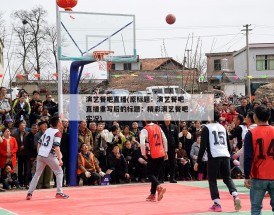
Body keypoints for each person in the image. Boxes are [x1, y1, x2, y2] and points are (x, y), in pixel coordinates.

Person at [194, 111, 241, 212]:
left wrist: (198, 161)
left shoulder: (206, 128)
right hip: (225, 154)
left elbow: (203, 146)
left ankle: (217, 203)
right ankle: (235, 195)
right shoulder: (223, 127)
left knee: (212, 180)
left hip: (214, 156)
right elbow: (228, 144)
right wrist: (229, 155)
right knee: (227, 178)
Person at [26, 116, 69, 200]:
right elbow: (56, 146)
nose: (62, 122)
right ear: (58, 123)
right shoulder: (57, 132)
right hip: (49, 154)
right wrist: (60, 159)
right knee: (59, 172)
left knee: (37, 174)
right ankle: (59, 192)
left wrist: (39, 153)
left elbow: (39, 142)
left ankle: (29, 193)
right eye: (60, 121)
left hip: (41, 154)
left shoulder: (48, 130)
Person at [244, 105, 274, 214]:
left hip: (258, 175)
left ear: (255, 117)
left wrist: (247, 176)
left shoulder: (251, 133)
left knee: (256, 208)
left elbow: (248, 157)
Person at [140, 121, 168, 202]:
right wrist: (165, 151)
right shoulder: (158, 127)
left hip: (153, 153)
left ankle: (159, 187)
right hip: (161, 153)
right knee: (155, 174)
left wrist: (143, 153)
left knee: (149, 173)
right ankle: (152, 194)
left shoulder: (145, 129)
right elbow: (165, 139)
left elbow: (142, 143)